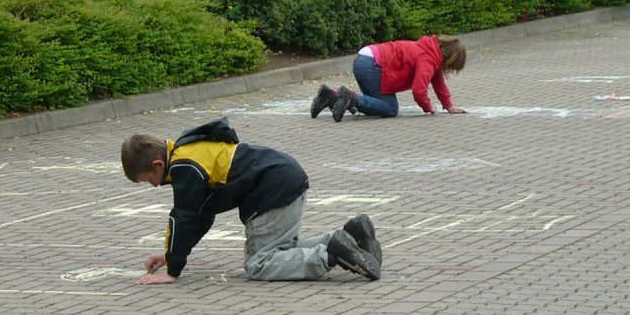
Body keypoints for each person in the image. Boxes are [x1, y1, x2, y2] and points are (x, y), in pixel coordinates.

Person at [120, 117, 382, 285]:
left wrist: (173, 271)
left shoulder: (185, 167)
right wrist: (170, 255)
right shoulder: (186, 151)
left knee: (260, 264)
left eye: (148, 179)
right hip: (285, 179)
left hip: (274, 190)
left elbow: (183, 216)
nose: (154, 185)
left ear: (157, 164)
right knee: (282, 251)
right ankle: (350, 235)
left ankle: (332, 254)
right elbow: (201, 216)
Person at [311, 35, 468, 122]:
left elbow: (437, 81)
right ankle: (350, 98)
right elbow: (418, 91)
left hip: (363, 59)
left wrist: (448, 105)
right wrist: (429, 107)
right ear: (449, 60)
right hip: (372, 65)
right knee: (389, 108)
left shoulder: (429, 51)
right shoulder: (427, 59)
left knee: (374, 106)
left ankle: (330, 96)